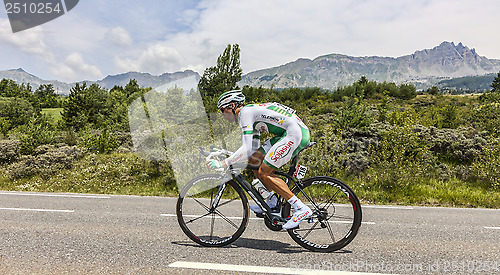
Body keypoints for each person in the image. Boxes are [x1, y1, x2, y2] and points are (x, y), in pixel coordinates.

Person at [206, 89, 312, 229]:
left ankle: (300, 208)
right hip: (288, 133)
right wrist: (226, 153)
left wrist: (224, 163)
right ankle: (272, 202)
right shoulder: (249, 113)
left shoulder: (245, 113)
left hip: (294, 134)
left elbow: (246, 148)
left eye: (222, 110)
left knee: (264, 172)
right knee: (254, 161)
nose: (222, 114)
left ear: (232, 106)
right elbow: (252, 151)